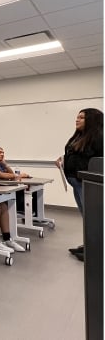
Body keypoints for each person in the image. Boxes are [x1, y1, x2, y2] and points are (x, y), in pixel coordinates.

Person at [56, 108, 103, 261]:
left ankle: (97, 249)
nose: (77, 120)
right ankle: (90, 245)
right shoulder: (80, 136)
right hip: (76, 182)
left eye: (82, 117)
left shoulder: (99, 138)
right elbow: (76, 155)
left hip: (88, 184)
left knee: (93, 217)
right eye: (77, 117)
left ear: (92, 121)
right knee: (86, 216)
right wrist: (63, 159)